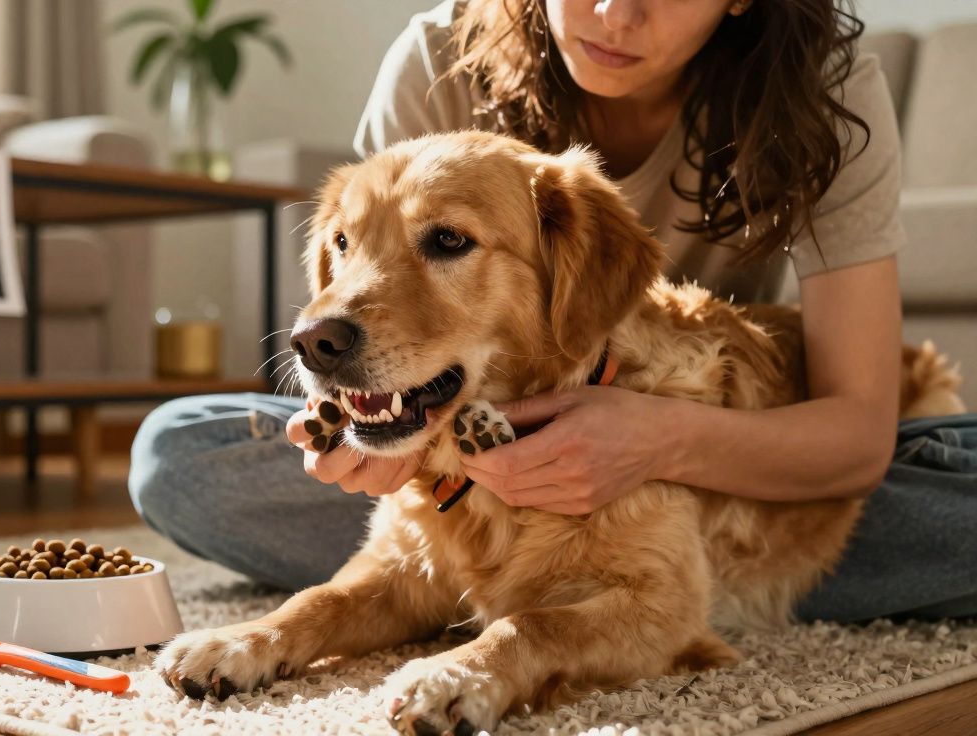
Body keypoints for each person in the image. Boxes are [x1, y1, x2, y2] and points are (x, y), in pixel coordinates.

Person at [129, 0, 977, 622]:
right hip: (470, 460)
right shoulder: (437, 59)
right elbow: (367, 304)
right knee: (178, 453)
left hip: (717, 449)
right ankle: (634, 591)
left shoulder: (823, 93)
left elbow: (856, 434)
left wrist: (656, 441)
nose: (614, 13)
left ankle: (634, 582)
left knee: (922, 479)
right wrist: (372, 426)